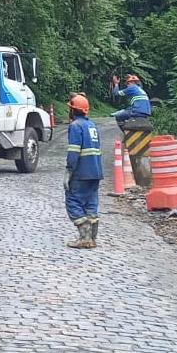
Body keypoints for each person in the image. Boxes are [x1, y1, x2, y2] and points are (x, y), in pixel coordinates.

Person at [64, 93, 102, 248]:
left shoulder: (75, 126)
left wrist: (69, 171)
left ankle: (84, 238)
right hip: (95, 171)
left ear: (73, 110)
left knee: (73, 200)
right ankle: (92, 238)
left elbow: (74, 151)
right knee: (91, 203)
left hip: (81, 172)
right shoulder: (92, 125)